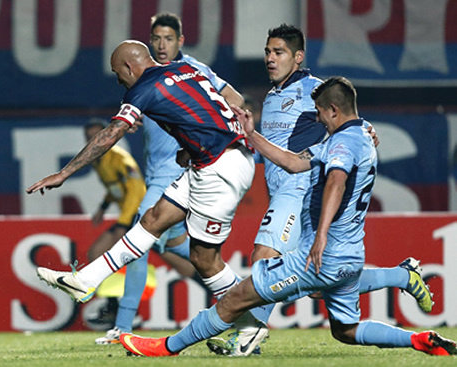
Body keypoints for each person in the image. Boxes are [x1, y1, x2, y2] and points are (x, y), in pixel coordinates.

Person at [119, 76, 457, 357]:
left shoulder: (342, 145)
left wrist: (320, 235)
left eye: (321, 113)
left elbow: (336, 181)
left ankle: (165, 347)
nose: (319, 119)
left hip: (323, 256)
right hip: (351, 256)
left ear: (334, 110)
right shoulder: (354, 138)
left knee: (237, 298)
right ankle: (418, 338)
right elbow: (293, 162)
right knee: (346, 330)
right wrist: (251, 134)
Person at [206, 24, 434, 357]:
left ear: (298, 57)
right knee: (317, 286)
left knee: (263, 256)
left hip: (298, 188)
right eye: (268, 51)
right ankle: (402, 276)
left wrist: (367, 129)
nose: (271, 58)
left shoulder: (312, 88)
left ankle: (247, 337)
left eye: (279, 52)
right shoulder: (272, 95)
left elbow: (348, 117)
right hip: (280, 188)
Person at [27, 40, 256, 340]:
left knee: (204, 260)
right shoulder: (186, 69)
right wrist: (192, 148)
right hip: (214, 159)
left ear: (129, 67)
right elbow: (218, 106)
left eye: (117, 73)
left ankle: (251, 324)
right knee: (152, 220)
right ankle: (84, 279)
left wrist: (65, 172)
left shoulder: (143, 88)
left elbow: (111, 134)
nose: (118, 80)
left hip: (220, 168)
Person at [94, 12, 247, 346]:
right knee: (189, 253)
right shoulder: (146, 77)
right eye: (156, 39)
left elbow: (234, 99)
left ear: (180, 41)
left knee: (140, 235)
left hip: (182, 171)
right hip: (158, 174)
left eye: (168, 39)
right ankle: (244, 308)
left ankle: (122, 325)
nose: (162, 45)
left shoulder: (192, 69)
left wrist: (210, 130)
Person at [81, 118, 146, 328]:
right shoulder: (99, 160)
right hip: (127, 217)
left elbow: (136, 189)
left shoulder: (119, 157)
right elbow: (115, 188)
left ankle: (220, 294)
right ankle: (113, 307)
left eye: (98, 135)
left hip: (139, 216)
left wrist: (124, 223)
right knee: (96, 253)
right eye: (90, 137)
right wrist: (103, 206)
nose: (94, 140)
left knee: (180, 259)